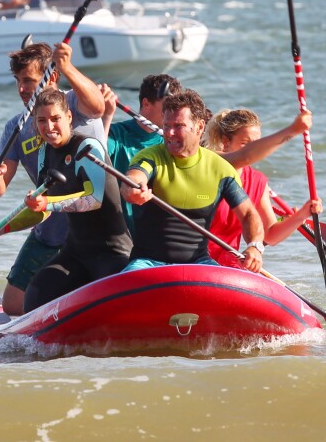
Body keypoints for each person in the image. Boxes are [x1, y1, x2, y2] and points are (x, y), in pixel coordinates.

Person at [0, 41, 105, 315]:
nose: (22, 88)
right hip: (48, 229)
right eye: (18, 81)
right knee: (13, 305)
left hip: (89, 226)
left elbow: (98, 107)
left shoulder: (73, 102)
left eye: (29, 80)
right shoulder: (15, 127)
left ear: (51, 78)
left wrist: (66, 66)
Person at [120, 89, 266, 273]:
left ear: (199, 127)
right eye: (166, 126)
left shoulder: (220, 169)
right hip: (148, 263)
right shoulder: (151, 157)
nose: (170, 133)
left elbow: (248, 215)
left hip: (199, 264)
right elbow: (133, 178)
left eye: (178, 125)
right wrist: (134, 189)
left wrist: (255, 246)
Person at [22, 88, 132, 312]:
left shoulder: (89, 148)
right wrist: (0, 231)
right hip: (75, 252)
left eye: (55, 119)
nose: (49, 127)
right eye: (42, 121)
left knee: (114, 307)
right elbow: (42, 208)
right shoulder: (45, 153)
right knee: (33, 299)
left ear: (69, 117)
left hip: (111, 252)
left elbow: (94, 199)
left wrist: (48, 203)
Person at [203, 108, 323, 268]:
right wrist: (293, 130)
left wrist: (302, 214)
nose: (254, 149)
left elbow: (270, 234)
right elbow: (246, 155)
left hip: (225, 265)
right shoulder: (209, 161)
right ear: (226, 142)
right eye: (245, 144)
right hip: (192, 260)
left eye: (257, 143)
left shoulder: (257, 180)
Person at [99, 74, 182, 236]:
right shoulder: (116, 134)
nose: (174, 113)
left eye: (176, 107)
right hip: (119, 233)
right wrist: (106, 115)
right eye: (168, 106)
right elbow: (95, 158)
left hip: (158, 236)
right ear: (146, 104)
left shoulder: (175, 142)